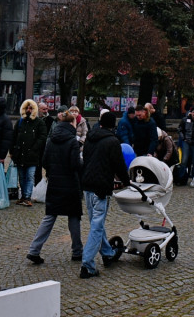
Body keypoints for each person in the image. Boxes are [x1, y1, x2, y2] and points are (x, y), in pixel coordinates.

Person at [27, 110, 84, 264]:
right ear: (72, 123)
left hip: (54, 182)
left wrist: (53, 172)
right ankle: (77, 251)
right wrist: (81, 163)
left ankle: (34, 249)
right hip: (70, 183)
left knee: (50, 216)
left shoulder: (51, 139)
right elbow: (75, 164)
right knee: (74, 217)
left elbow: (44, 161)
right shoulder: (72, 141)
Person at [79, 111, 130, 279]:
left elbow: (86, 160)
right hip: (101, 187)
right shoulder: (112, 141)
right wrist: (127, 181)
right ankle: (87, 264)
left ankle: (108, 253)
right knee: (97, 226)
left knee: (96, 223)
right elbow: (119, 165)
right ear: (112, 125)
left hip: (87, 185)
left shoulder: (90, 138)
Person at [11, 99, 48, 206]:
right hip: (20, 154)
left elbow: (42, 137)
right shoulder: (20, 122)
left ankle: (27, 196)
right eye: (27, 108)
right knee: (22, 177)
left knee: (30, 176)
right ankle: (23, 196)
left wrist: (35, 148)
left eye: (30, 108)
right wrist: (12, 151)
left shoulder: (39, 122)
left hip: (32, 155)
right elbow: (14, 137)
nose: (28, 110)